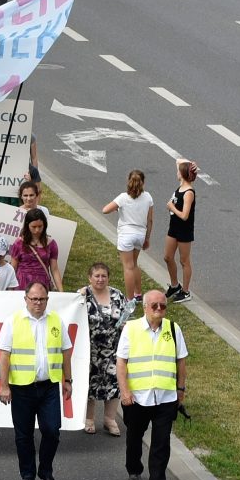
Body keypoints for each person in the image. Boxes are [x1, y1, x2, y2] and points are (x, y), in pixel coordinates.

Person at [0, 281, 73, 480]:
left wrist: (68, 380)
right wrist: (4, 386)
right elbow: (4, 355)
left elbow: (66, 351)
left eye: (42, 299)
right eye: (34, 299)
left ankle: (46, 471)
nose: (38, 303)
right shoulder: (13, 321)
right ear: (26, 299)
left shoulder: (56, 320)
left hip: (48, 387)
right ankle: (27, 475)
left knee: (52, 431)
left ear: (48, 299)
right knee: (23, 435)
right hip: (21, 387)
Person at [117, 291, 188, 480]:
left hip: (165, 397)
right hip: (138, 397)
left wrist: (181, 389)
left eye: (162, 306)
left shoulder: (174, 329)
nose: (159, 309)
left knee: (161, 441)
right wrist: (125, 391)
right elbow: (121, 362)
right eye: (154, 305)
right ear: (145, 307)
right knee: (134, 436)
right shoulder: (131, 329)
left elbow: (181, 361)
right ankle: (134, 469)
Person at [80, 262, 131, 436]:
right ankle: (89, 418)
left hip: (115, 348)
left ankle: (110, 419)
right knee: (89, 383)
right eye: (97, 276)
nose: (100, 279)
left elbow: (126, 317)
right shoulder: (82, 295)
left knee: (114, 383)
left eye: (104, 276)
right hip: (90, 349)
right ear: (89, 278)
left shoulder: (118, 295)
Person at [103, 169, 153, 302]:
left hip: (126, 235)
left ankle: (130, 299)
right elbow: (150, 220)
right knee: (135, 264)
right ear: (143, 182)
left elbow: (105, 210)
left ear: (128, 181)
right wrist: (147, 238)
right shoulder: (148, 197)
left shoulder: (123, 198)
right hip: (140, 235)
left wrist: (117, 208)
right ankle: (138, 293)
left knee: (128, 267)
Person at [163, 159, 198, 302]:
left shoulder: (188, 192)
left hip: (184, 230)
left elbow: (185, 215)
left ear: (183, 174)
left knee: (184, 261)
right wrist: (192, 164)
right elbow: (178, 160)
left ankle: (186, 291)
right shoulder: (181, 186)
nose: (176, 172)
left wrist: (172, 207)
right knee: (167, 257)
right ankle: (175, 285)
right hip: (174, 228)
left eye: (179, 171)